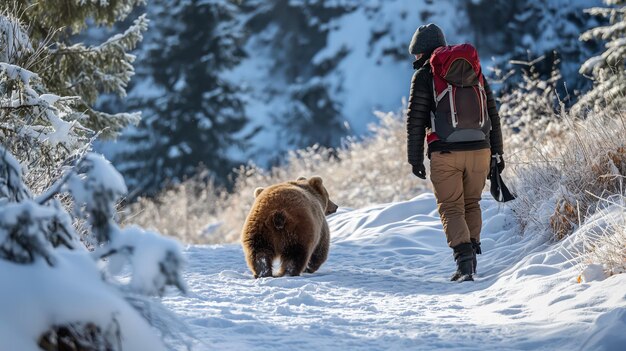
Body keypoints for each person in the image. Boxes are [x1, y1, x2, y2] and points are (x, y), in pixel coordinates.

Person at [406, 24, 505, 282]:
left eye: (417, 53)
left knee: (451, 207)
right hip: (480, 150)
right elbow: (493, 115)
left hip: (445, 151)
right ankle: (471, 256)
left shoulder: (425, 76)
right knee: (471, 203)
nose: (415, 58)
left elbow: (415, 120)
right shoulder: (475, 71)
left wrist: (414, 158)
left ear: (423, 51)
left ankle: (464, 264)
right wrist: (497, 153)